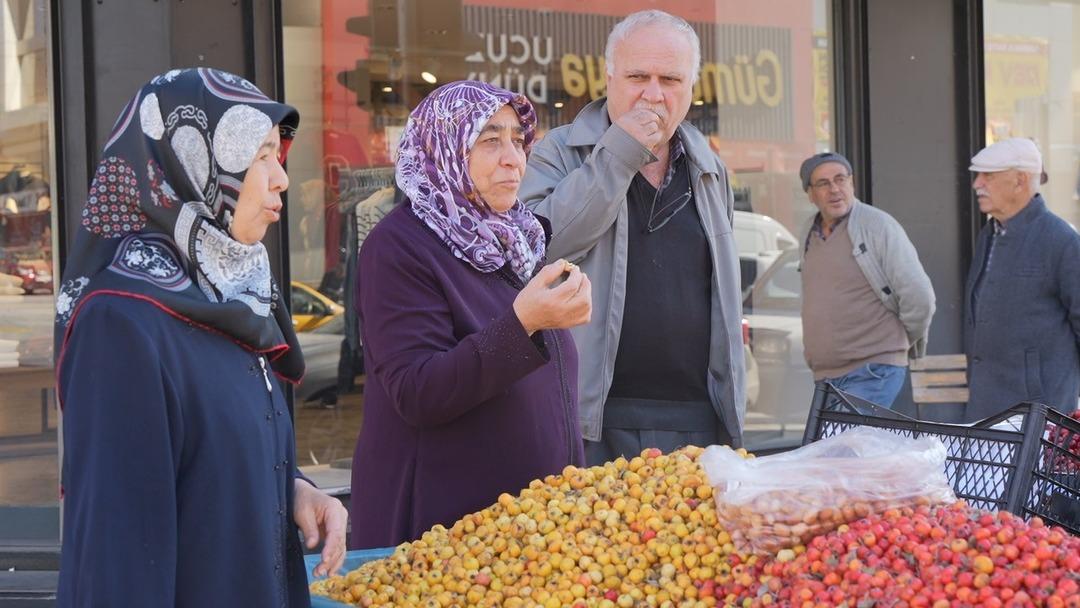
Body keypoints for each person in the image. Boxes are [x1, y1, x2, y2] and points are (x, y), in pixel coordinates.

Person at [54, 68, 347, 607]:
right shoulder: (121, 324)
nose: (281, 177)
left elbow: (209, 461)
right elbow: (118, 561)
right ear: (193, 164)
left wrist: (292, 489)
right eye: (260, 156)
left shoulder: (227, 300)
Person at [348, 81, 591, 549]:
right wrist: (525, 323)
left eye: (518, 140)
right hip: (443, 535)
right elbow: (417, 390)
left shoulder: (515, 239)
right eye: (490, 139)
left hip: (528, 530)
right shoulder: (400, 246)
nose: (513, 158)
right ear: (446, 147)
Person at [520, 10, 745, 464]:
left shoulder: (709, 166)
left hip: (695, 417)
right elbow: (539, 251)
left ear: (691, 88)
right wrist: (620, 151)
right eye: (638, 76)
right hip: (591, 418)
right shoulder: (559, 152)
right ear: (609, 77)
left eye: (670, 79)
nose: (653, 94)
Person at [796, 152, 936, 408]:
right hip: (827, 377)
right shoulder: (808, 231)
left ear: (852, 183)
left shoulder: (877, 226)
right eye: (823, 183)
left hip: (872, 371)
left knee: (843, 447)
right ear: (810, 194)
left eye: (841, 179)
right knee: (831, 447)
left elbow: (919, 296)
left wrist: (896, 342)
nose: (834, 189)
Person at [964, 138, 1080, 420]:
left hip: (1038, 414)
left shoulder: (1061, 240)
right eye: (977, 175)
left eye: (988, 176)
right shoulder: (988, 235)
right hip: (985, 405)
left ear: (1020, 181)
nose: (977, 184)